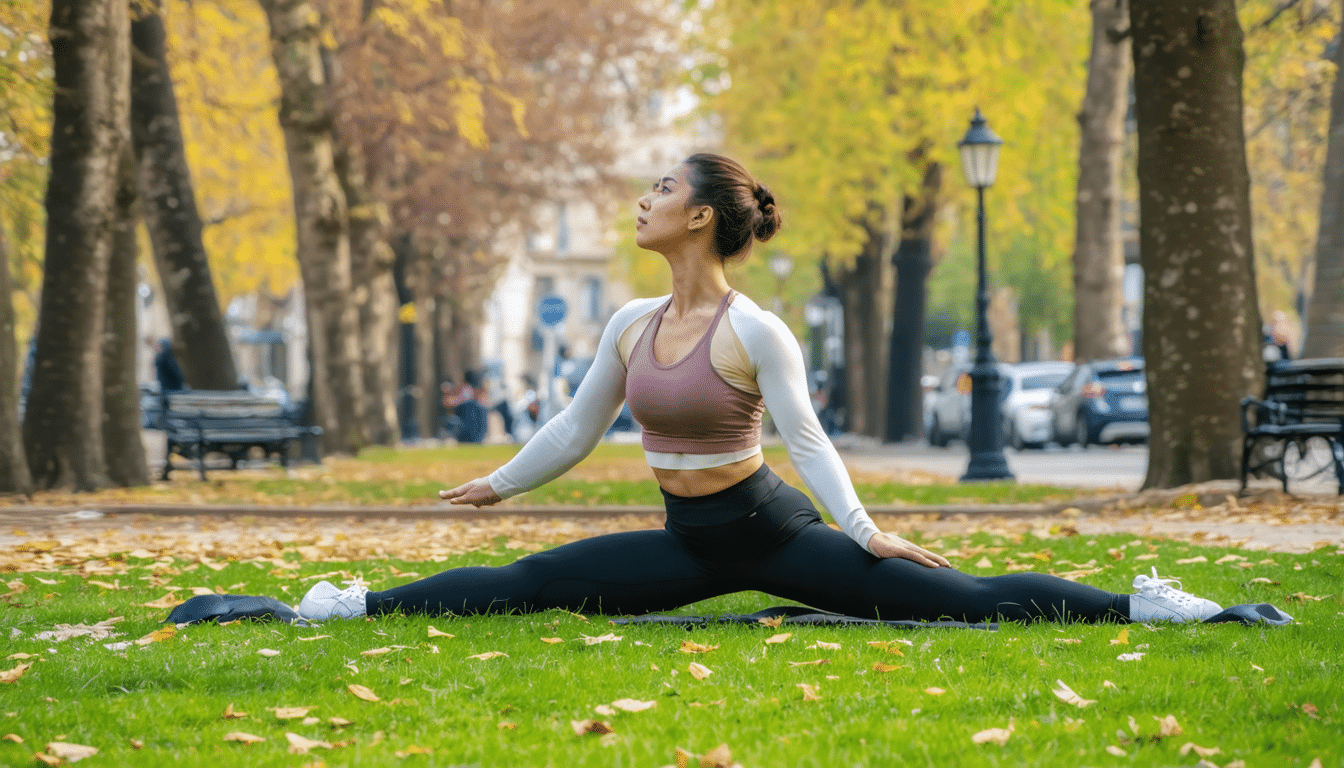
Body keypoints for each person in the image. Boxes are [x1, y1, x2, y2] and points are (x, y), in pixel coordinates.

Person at [299, 153, 1225, 626]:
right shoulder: (630, 323)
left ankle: (1143, 605)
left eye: (659, 189)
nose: (642, 200)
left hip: (776, 537)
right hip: (686, 548)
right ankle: (345, 605)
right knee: (528, 583)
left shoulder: (756, 330)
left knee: (964, 602)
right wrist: (497, 484)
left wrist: (865, 535)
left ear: (699, 216)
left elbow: (809, 443)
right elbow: (576, 429)